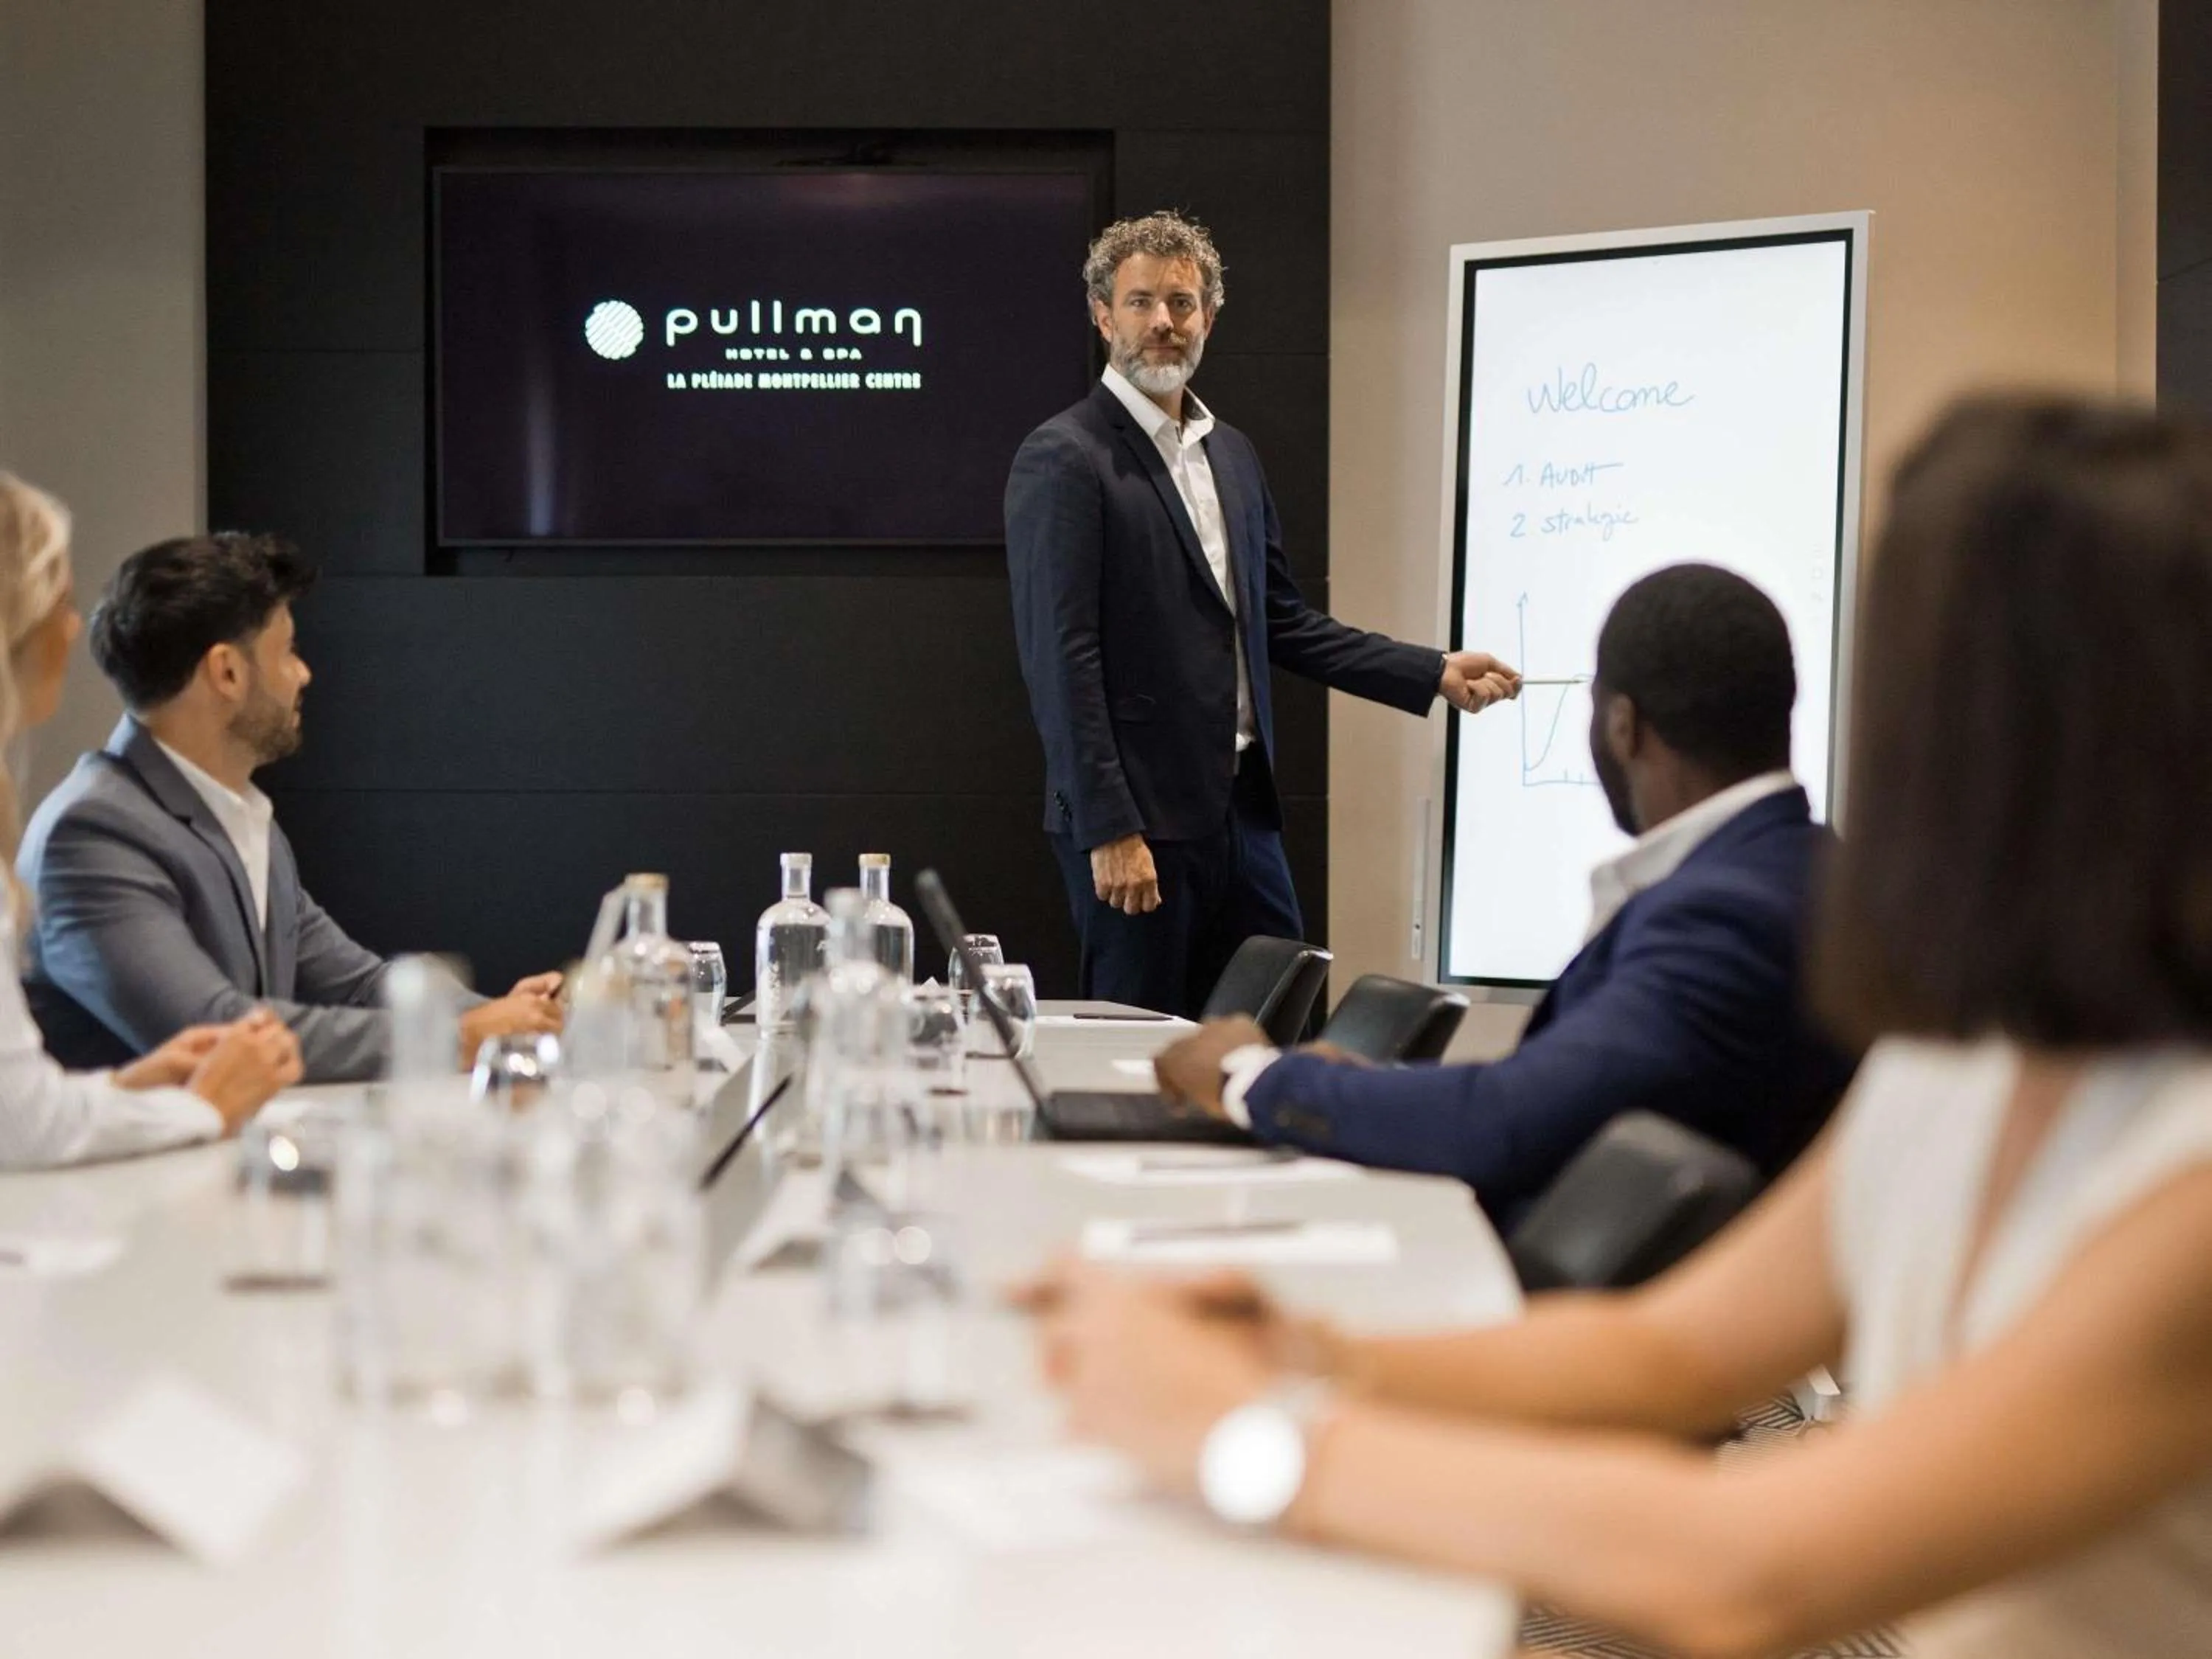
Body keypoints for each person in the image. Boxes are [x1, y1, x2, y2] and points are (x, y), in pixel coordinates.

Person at [1029, 397, 2212, 1658]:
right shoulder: (1957, 1067)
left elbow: (1746, 1572)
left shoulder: (2183, 1193)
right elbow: (1665, 1354)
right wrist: (1305, 1351)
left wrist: (1244, 1431)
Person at [1151, 563, 1855, 1227]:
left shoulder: (1729, 914)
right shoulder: (1806, 871)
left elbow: (1511, 1123)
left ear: (1622, 727)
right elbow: (1572, 1089)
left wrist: (1254, 1077)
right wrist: (1371, 1089)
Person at [1006, 210, 1520, 1018]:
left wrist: (1431, 672)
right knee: (1141, 1056)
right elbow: (1060, 658)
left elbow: (1282, 621)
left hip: (1244, 817)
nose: (1163, 323)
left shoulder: (1232, 455)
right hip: (1137, 825)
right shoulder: (1064, 457)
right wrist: (1109, 828)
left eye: (1181, 303)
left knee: (1275, 1042)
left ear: (1209, 315)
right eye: (1141, 303)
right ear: (1104, 316)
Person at [18, 532, 563, 1084]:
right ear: (226, 672)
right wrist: (464, 1036)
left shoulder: (242, 817)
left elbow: (360, 984)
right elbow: (213, 1032)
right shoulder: (92, 833)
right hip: (130, 1170)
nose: (304, 674)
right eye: (288, 652)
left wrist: (504, 1016)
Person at [0, 476, 300, 1166]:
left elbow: (22, 1102)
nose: (75, 629)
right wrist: (199, 1106)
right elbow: (23, 1125)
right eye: (61, 602)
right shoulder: (93, 830)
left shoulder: (250, 821)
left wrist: (129, 1093)